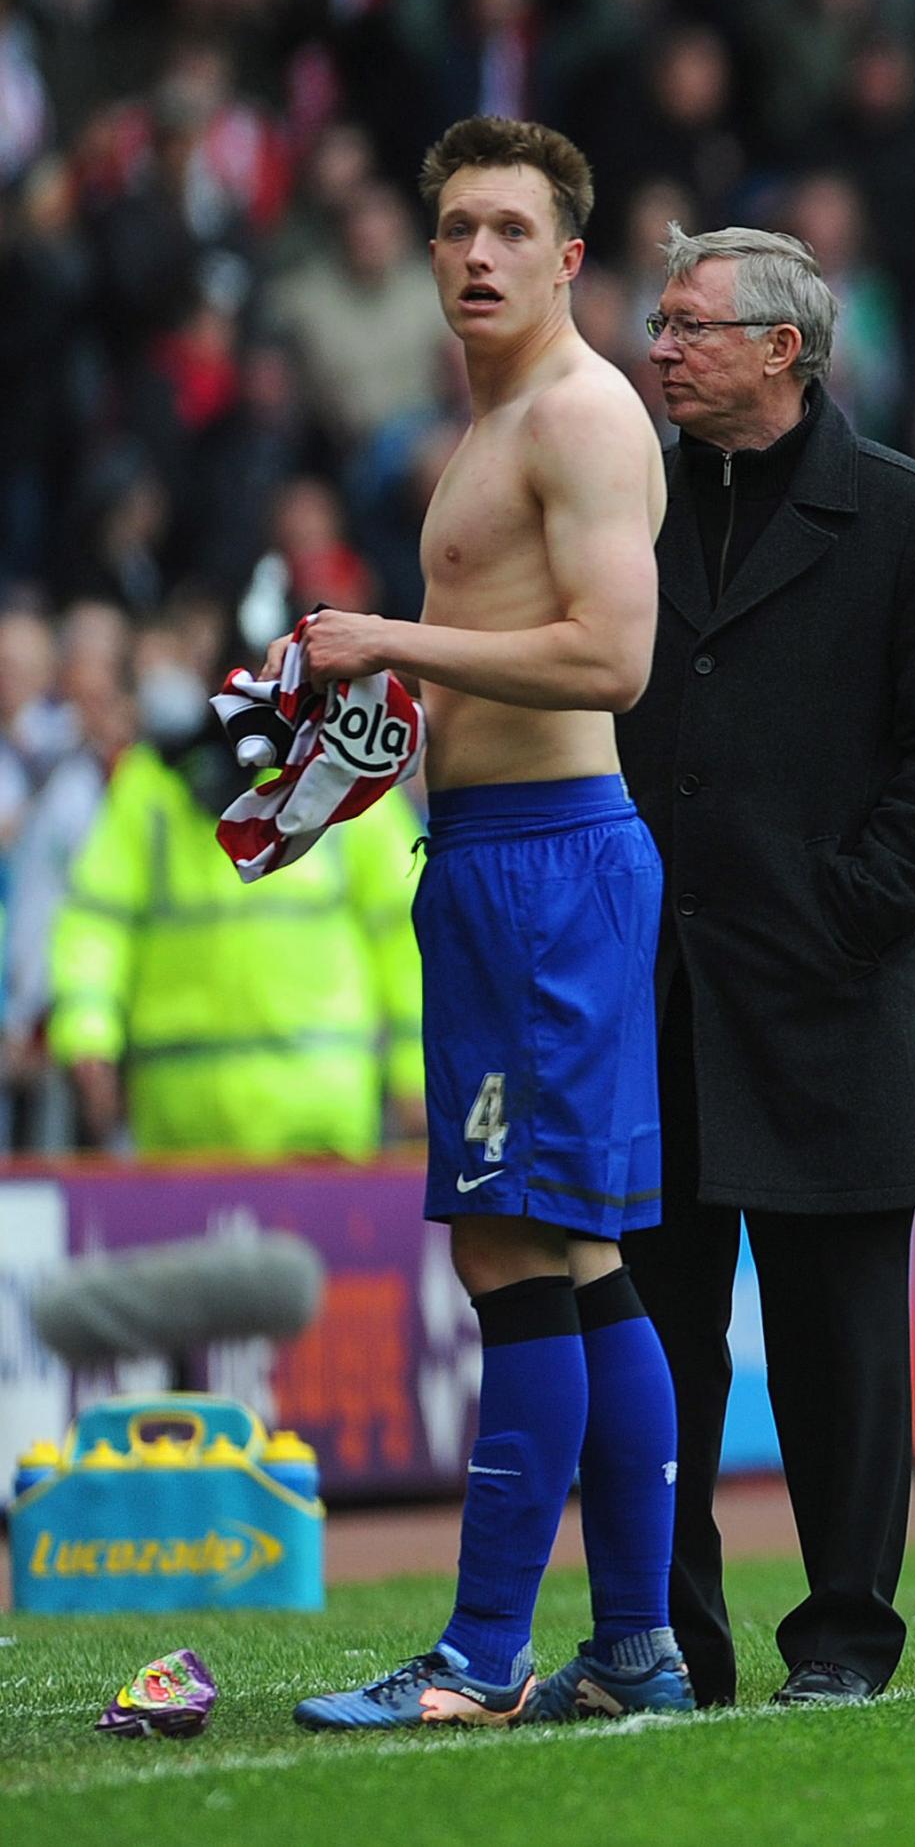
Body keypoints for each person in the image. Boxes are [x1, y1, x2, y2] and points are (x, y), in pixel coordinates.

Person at [289, 116, 685, 1730]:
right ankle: (636, 1650)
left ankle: (478, 1658)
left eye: (511, 230)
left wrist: (394, 634)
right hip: (501, 861)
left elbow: (612, 660)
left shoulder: (582, 419)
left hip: (548, 862)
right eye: (457, 225)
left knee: (521, 1241)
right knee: (566, 1248)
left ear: (571, 258)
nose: (475, 254)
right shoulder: (496, 420)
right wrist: (378, 716)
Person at [617, 224, 915, 1708]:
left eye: (688, 325)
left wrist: (846, 918)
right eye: (657, 323)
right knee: (656, 1354)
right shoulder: (628, 506)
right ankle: (668, 1642)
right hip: (651, 1004)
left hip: (830, 1007)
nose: (658, 347)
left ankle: (843, 1639)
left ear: (783, 348)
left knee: (842, 1359)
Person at [49, 609, 422, 1158]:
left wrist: (415, 1075)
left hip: (320, 1128)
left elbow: (403, 934)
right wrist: (87, 1038)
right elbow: (96, 924)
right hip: (181, 1130)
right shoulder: (152, 785)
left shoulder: (348, 779)